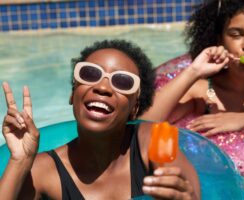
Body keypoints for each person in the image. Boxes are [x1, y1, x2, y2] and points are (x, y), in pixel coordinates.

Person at [0, 40, 200, 199]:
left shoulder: (158, 136)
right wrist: (19, 161)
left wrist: (185, 196)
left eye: (123, 81)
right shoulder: (44, 170)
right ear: (72, 94)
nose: (102, 87)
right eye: (90, 74)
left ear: (135, 107)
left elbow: (185, 188)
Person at [141, 0, 244, 187]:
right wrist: (193, 71)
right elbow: (142, 124)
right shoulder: (202, 92)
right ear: (219, 39)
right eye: (236, 35)